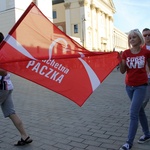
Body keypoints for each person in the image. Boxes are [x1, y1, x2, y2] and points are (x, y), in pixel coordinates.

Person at [119, 29, 150, 150]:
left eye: (134, 37)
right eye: (130, 38)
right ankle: (147, 134)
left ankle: (128, 142)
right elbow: (122, 71)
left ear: (139, 39)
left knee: (133, 113)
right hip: (129, 86)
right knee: (140, 110)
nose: (131, 40)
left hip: (141, 86)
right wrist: (120, 60)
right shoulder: (126, 53)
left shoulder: (146, 53)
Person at [0, 32, 33, 146]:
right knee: (11, 113)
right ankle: (25, 136)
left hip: (2, 87)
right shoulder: (3, 51)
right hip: (7, 87)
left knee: (11, 112)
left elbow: (4, 71)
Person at [142, 28, 150, 108]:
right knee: (145, 99)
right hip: (146, 78)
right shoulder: (140, 49)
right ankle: (139, 113)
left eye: (149, 35)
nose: (147, 37)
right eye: (145, 35)